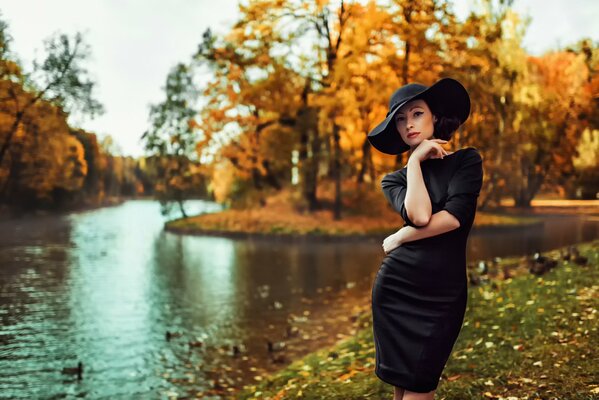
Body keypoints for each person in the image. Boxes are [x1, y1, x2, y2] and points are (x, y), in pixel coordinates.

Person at [367, 77, 483, 400]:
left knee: (420, 385)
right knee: (402, 390)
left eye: (416, 114)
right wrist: (415, 161)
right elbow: (419, 214)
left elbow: (453, 219)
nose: (408, 125)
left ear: (434, 116)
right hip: (396, 290)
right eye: (400, 120)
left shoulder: (467, 162)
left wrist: (402, 235)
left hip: (442, 295)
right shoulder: (394, 180)